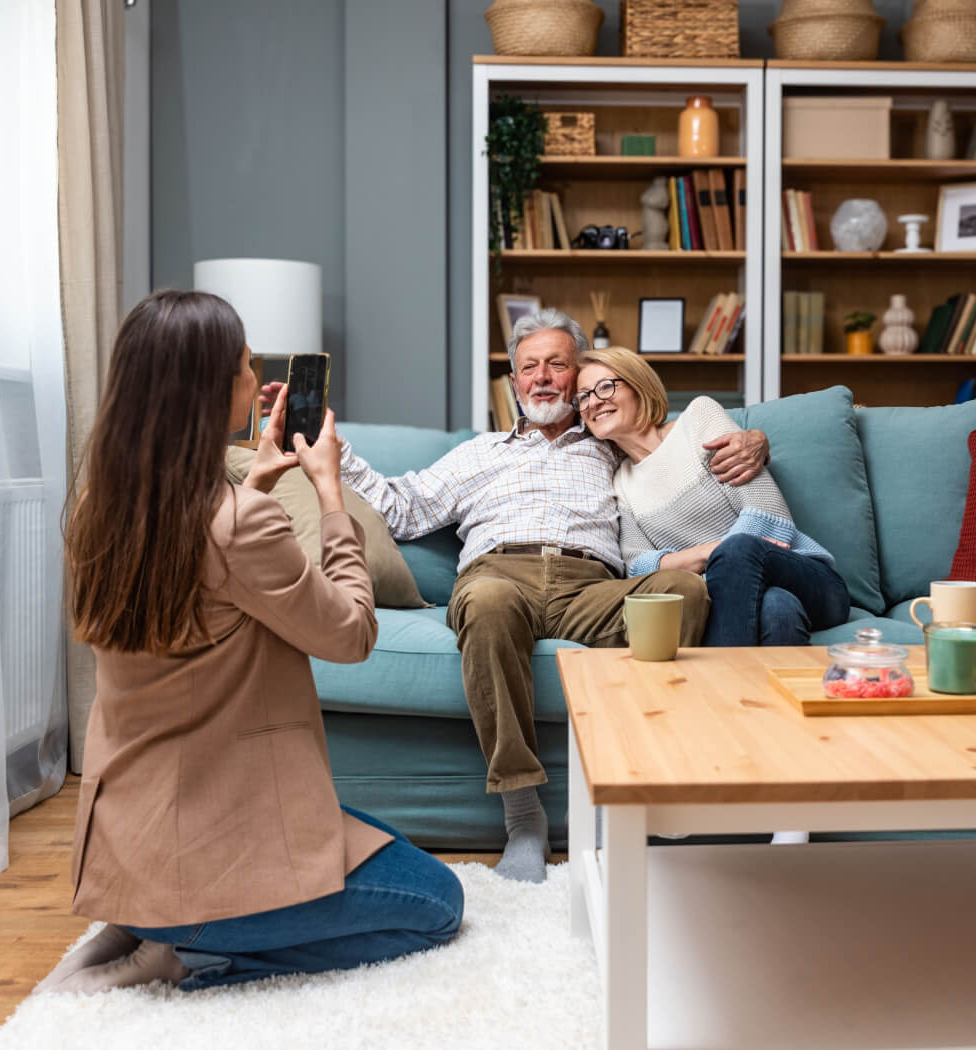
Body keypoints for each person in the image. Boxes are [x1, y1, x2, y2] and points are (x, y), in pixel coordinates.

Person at [43, 290, 463, 995]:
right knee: (436, 903)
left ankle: (147, 922)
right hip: (201, 858)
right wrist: (331, 497)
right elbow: (353, 633)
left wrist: (262, 476)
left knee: (366, 838)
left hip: (132, 840)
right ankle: (194, 955)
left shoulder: (102, 506)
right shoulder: (238, 525)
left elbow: (209, 573)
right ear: (215, 388)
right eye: (246, 364)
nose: (256, 375)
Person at [264, 309, 771, 883]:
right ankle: (523, 816)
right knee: (486, 603)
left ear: (580, 377)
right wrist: (329, 442)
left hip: (594, 585)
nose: (543, 377)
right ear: (514, 383)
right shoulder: (482, 453)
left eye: (558, 364)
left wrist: (754, 440)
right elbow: (401, 509)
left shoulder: (609, 440)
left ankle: (634, 795)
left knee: (681, 590)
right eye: (529, 367)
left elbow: (677, 444)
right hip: (500, 575)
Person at [575, 346, 850, 648]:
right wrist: (714, 554)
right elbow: (639, 567)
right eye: (584, 396)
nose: (594, 402)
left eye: (605, 386)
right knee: (777, 609)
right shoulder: (621, 481)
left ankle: (712, 686)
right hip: (738, 597)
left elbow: (768, 513)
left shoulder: (698, 420)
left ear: (638, 385)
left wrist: (711, 557)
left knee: (740, 549)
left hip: (809, 580)